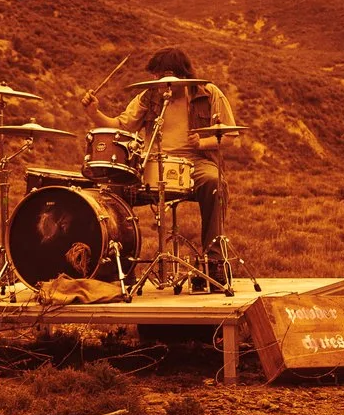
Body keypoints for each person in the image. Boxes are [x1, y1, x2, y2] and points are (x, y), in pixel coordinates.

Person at [86, 48, 235, 283]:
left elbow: (230, 136)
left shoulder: (208, 93)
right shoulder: (149, 96)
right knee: (113, 191)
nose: (155, 81)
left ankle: (214, 262)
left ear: (172, 74)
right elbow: (120, 126)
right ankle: (121, 267)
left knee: (214, 182)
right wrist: (94, 113)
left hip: (194, 164)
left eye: (157, 76)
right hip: (151, 165)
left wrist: (203, 142)